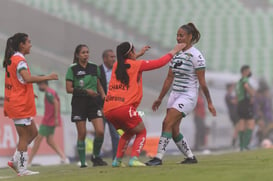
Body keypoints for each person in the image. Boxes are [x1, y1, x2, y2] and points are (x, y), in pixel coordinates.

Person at [103, 41, 186, 167]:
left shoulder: (116, 66)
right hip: (123, 107)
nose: (135, 52)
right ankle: (134, 159)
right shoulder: (136, 65)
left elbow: (127, 63)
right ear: (130, 53)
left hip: (108, 109)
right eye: (134, 51)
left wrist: (139, 55)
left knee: (129, 132)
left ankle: (117, 161)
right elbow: (159, 63)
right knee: (141, 131)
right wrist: (174, 51)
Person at [146, 23, 216, 166]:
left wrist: (209, 102)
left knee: (166, 122)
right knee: (173, 129)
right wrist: (160, 98)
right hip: (174, 95)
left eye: (181, 35)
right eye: (177, 35)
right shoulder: (176, 53)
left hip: (188, 96)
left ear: (190, 37)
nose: (178, 38)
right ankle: (190, 157)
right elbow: (169, 78)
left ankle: (158, 158)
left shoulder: (197, 56)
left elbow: (202, 83)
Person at [3, 33, 58, 176]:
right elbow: (26, 78)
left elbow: (17, 81)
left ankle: (15, 160)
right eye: (28, 42)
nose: (30, 45)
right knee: (23, 136)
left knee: (33, 133)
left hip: (18, 101)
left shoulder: (13, 58)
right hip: (19, 104)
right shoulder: (19, 60)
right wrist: (47, 77)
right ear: (22, 44)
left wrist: (28, 93)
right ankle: (21, 168)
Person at [65, 44, 107, 167]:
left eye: (87, 52)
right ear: (78, 55)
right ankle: (83, 163)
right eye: (83, 52)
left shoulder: (94, 67)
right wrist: (86, 91)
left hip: (94, 102)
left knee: (100, 131)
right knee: (82, 133)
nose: (86, 54)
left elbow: (98, 84)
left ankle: (95, 156)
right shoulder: (72, 69)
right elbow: (68, 89)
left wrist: (104, 96)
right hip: (79, 103)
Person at [28, 80, 69, 166]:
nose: (39, 87)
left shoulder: (49, 93)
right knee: (50, 141)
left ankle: (28, 162)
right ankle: (63, 157)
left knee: (38, 140)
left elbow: (56, 103)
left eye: (39, 85)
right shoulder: (51, 92)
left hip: (48, 120)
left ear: (43, 84)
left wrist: (56, 117)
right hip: (50, 120)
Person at [99, 49, 120, 160]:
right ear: (105, 58)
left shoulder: (117, 70)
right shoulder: (98, 70)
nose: (113, 59)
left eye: (114, 57)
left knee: (115, 134)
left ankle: (116, 158)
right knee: (99, 134)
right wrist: (100, 107)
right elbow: (96, 90)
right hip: (100, 108)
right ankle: (97, 157)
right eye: (111, 57)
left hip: (113, 108)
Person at [235, 65, 255, 151]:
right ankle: (246, 145)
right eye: (248, 71)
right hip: (245, 103)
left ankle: (241, 147)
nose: (250, 72)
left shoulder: (239, 81)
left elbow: (237, 95)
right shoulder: (245, 79)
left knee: (242, 123)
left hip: (240, 104)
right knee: (251, 123)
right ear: (245, 71)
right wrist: (252, 95)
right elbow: (246, 86)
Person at [225, 83, 240, 147]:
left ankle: (236, 141)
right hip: (233, 114)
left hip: (235, 113)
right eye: (231, 87)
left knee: (237, 127)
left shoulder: (231, 95)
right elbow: (234, 101)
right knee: (237, 127)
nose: (232, 89)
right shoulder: (227, 96)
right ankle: (234, 141)